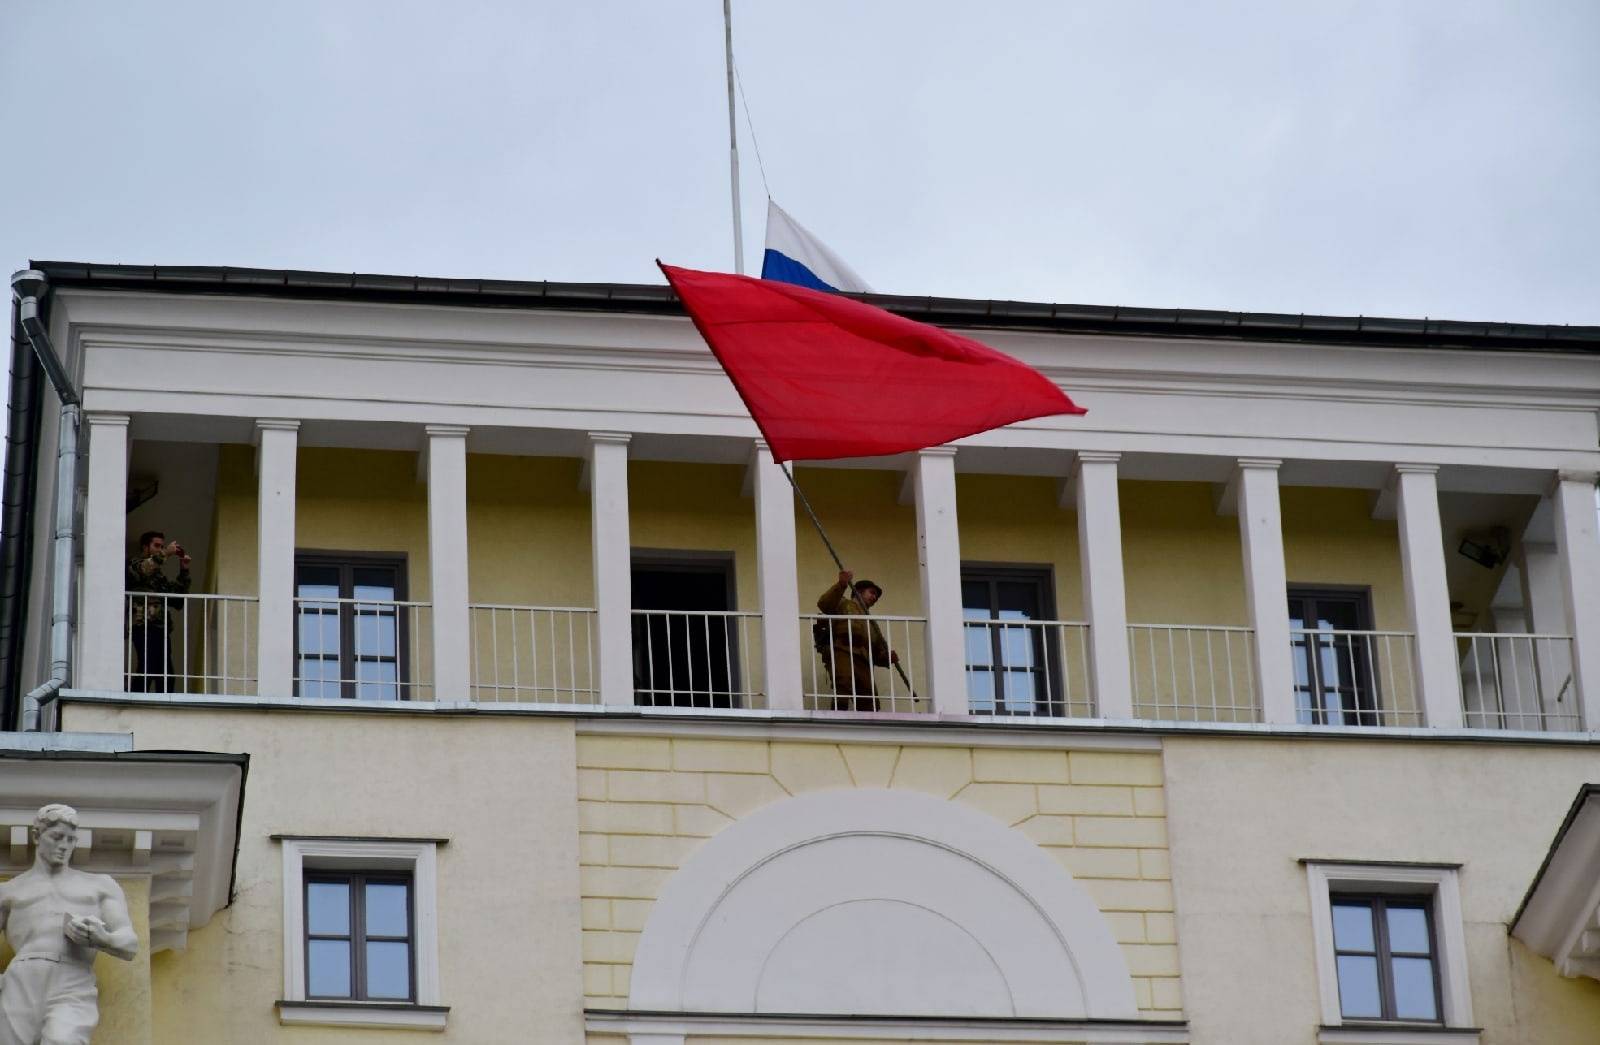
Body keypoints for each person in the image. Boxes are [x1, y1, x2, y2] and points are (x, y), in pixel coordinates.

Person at [0, 804, 138, 1045]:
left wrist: (101, 938)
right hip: (21, 976)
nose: (64, 846)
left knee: (63, 1040)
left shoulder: (99, 885)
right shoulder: (9, 891)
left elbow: (129, 943)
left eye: (71, 839)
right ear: (36, 836)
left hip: (72, 976)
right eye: (56, 837)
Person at [815, 570, 898, 711]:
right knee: (844, 683)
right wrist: (841, 585)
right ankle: (838, 718)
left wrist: (887, 658)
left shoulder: (872, 624)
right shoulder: (842, 604)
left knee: (869, 696)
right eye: (872, 593)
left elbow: (877, 652)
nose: (874, 597)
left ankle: (870, 728)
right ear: (858, 591)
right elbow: (824, 604)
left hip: (863, 661)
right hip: (842, 651)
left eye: (876, 596)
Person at [125, 531, 191, 693]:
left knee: (166, 671)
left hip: (160, 627)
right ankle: (136, 700)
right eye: (156, 546)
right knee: (147, 666)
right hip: (142, 624)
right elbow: (142, 570)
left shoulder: (158, 576)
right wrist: (166, 553)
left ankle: (165, 704)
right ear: (145, 546)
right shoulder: (134, 563)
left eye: (162, 546)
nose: (159, 549)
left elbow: (176, 600)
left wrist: (184, 571)